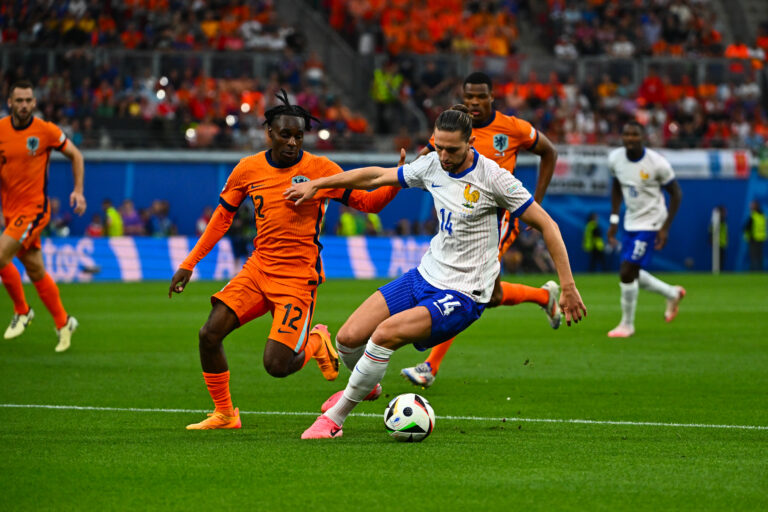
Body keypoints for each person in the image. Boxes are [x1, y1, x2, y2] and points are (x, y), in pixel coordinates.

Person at [284, 105, 586, 439]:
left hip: (463, 293)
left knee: (384, 334)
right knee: (347, 340)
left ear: (471, 142)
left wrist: (568, 285)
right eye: (438, 146)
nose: (443, 155)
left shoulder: (494, 178)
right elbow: (375, 176)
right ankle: (367, 385)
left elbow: (548, 225)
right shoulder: (431, 164)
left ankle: (334, 421)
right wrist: (318, 184)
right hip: (424, 275)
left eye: (451, 149)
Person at [168, 91, 400, 430]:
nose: (293, 142)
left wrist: (399, 178)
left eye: (299, 136)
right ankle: (225, 414)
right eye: (285, 135)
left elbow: (368, 203)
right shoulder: (247, 169)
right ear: (269, 133)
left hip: (297, 279)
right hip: (258, 269)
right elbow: (221, 219)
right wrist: (190, 263)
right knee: (209, 334)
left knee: (277, 365)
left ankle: (318, 342)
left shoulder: (321, 170)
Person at [400, 72, 561, 388]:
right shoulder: (455, 127)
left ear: (491, 98)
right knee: (491, 295)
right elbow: (427, 158)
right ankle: (544, 296)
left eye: (480, 97)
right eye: (469, 96)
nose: (474, 102)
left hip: (499, 219)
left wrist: (536, 203)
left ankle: (430, 366)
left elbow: (549, 152)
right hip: (461, 217)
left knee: (463, 288)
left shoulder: (512, 128)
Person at [0, 80, 86, 351]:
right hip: (11, 213)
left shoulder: (46, 131)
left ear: (34, 103)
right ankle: (64, 322)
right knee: (36, 269)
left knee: (0, 256)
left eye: (28, 100)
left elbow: (76, 155)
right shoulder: (0, 131)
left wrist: (78, 191)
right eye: (19, 100)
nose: (24, 105)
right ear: (10, 103)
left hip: (35, 210)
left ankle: (22, 311)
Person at [606, 120, 685, 338]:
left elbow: (676, 193)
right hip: (630, 221)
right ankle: (672, 293)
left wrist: (665, 227)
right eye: (626, 134)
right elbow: (616, 187)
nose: (630, 138)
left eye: (635, 134)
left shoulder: (657, 163)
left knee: (626, 271)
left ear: (643, 137)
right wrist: (613, 220)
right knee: (633, 272)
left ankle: (627, 324)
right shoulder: (615, 159)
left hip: (651, 222)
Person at [743, 200, 765, 271]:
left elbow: (746, 228)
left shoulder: (753, 216)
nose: (750, 207)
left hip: (753, 239)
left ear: (755, 206)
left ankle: (754, 272)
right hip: (761, 239)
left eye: (752, 205)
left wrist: (747, 236)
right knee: (759, 257)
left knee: (754, 257)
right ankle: (759, 272)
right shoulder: (762, 216)